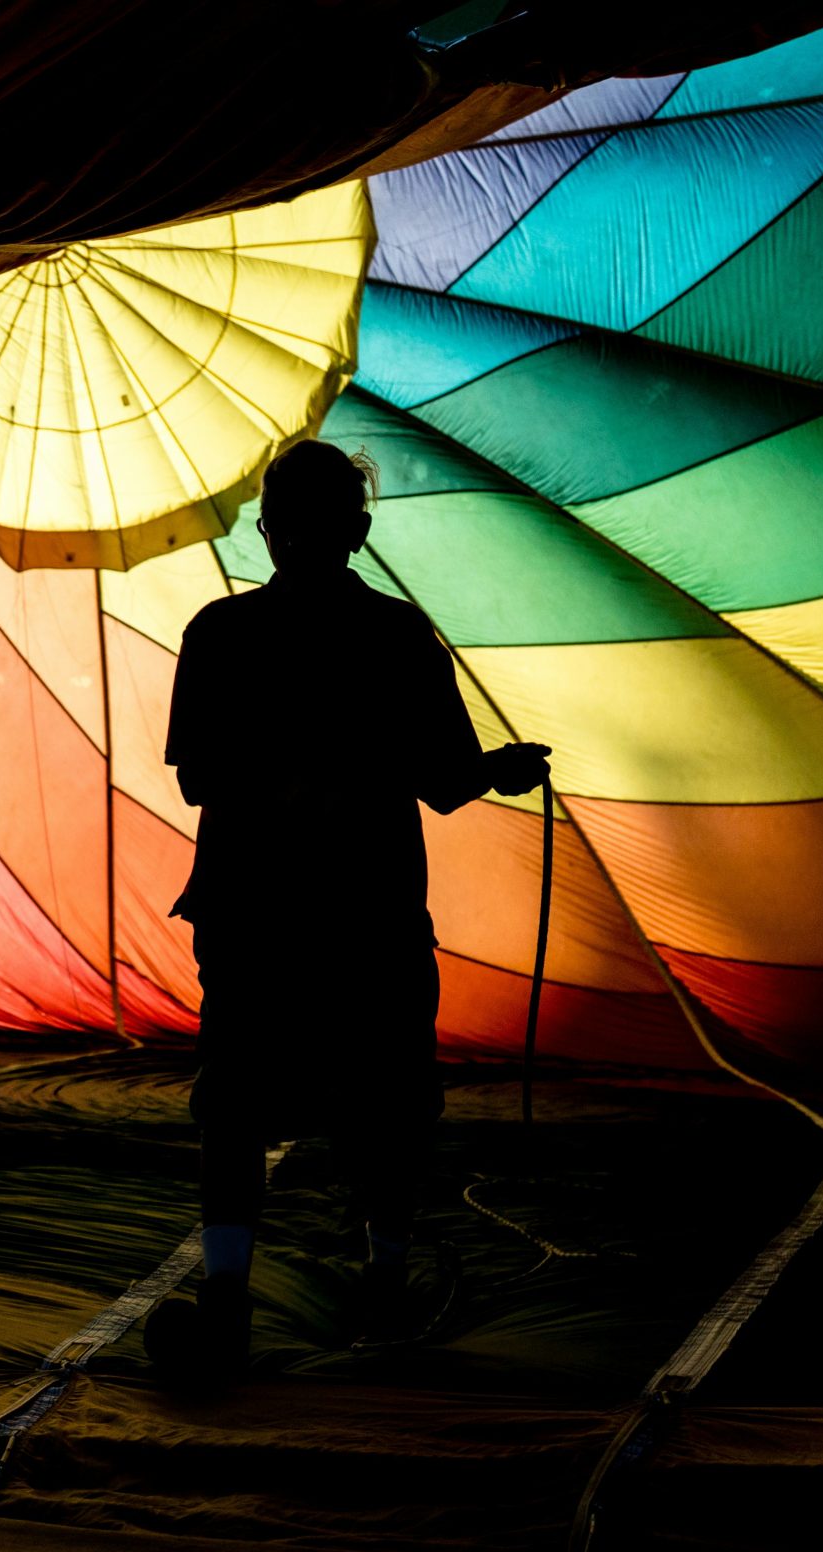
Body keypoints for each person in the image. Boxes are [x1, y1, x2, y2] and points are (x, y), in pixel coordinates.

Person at [145, 439, 549, 1383]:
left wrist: (285, 789)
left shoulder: (220, 633)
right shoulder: (397, 636)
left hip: (251, 912)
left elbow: (199, 776)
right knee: (388, 1096)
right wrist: (498, 769)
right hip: (370, 913)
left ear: (265, 530)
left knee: (236, 1101)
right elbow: (446, 782)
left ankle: (227, 1298)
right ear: (359, 532)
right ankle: (387, 1281)